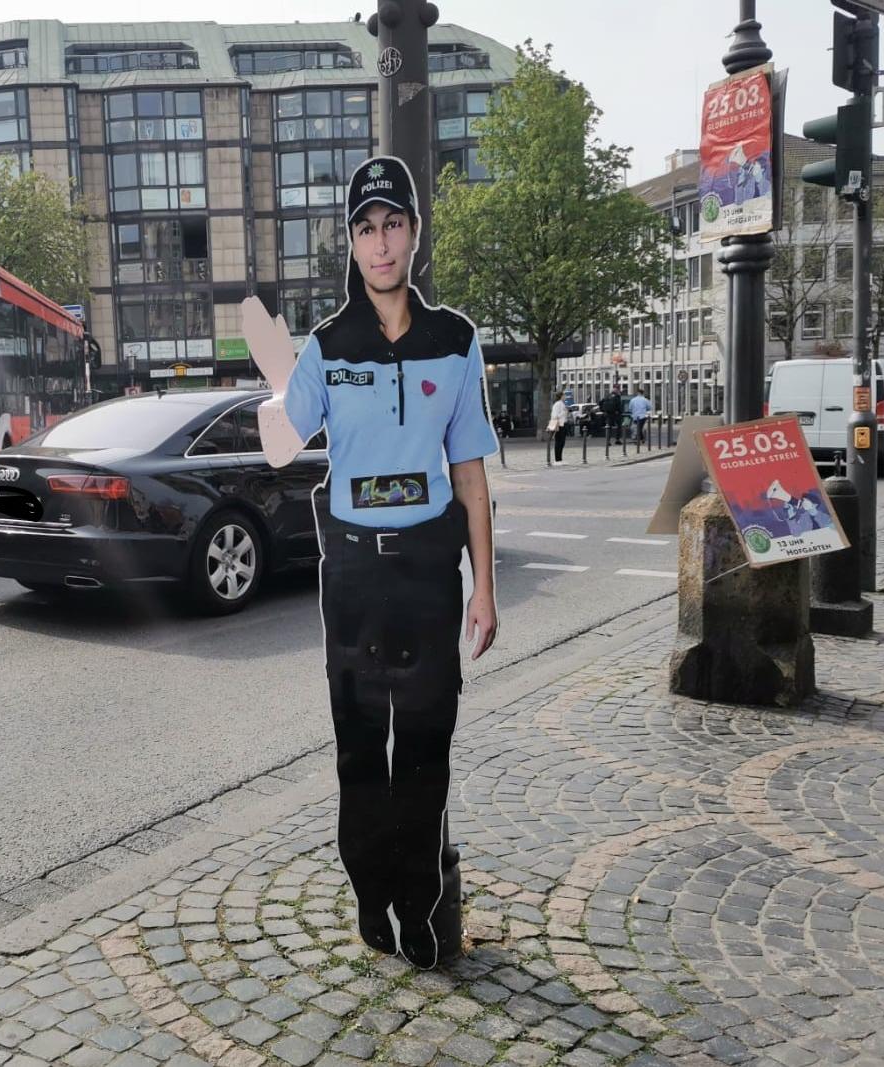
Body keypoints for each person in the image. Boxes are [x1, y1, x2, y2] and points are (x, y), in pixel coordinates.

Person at [246, 155, 499, 969]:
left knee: (425, 749)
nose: (380, 242)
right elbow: (285, 447)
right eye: (364, 228)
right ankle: (369, 894)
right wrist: (276, 375)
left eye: (393, 224)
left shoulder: (455, 342)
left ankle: (422, 909)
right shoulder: (328, 346)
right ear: (350, 244)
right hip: (351, 575)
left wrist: (484, 589)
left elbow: (471, 475)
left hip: (428, 574)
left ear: (415, 235)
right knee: (360, 747)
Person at [548, 390, 570, 464]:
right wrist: (564, 412)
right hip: (559, 425)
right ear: (561, 396)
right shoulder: (557, 404)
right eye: (564, 395)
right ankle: (557, 460)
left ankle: (560, 459)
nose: (565, 396)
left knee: (562, 442)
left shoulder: (562, 404)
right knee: (559, 442)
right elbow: (555, 415)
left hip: (563, 424)